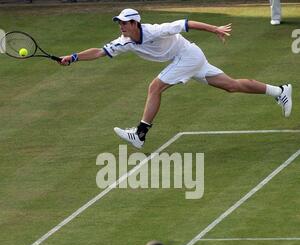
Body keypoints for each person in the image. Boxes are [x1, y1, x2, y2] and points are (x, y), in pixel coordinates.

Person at [61, 8, 292, 149]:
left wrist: (214, 29)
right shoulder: (124, 42)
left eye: (124, 23)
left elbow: (186, 23)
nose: (120, 26)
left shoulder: (155, 30)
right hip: (188, 58)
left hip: (187, 56)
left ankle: (139, 135)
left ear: (135, 23)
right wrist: (73, 57)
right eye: (119, 23)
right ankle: (280, 91)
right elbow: (99, 51)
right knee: (231, 86)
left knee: (155, 87)